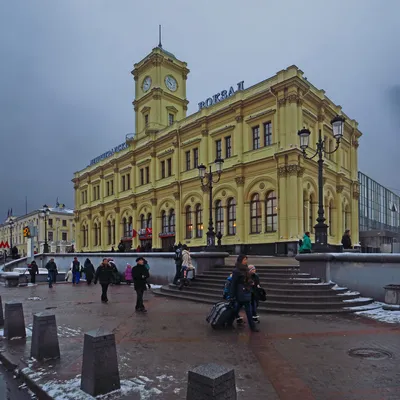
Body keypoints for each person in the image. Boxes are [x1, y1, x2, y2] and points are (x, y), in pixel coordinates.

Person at [230, 254, 259, 332]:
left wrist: (251, 282)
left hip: (246, 292)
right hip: (240, 293)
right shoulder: (236, 271)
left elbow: (248, 279)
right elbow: (233, 283)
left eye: (246, 260)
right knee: (238, 309)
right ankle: (229, 322)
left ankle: (252, 327)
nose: (246, 261)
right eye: (245, 260)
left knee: (245, 310)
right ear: (241, 260)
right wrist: (232, 295)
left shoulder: (246, 269)